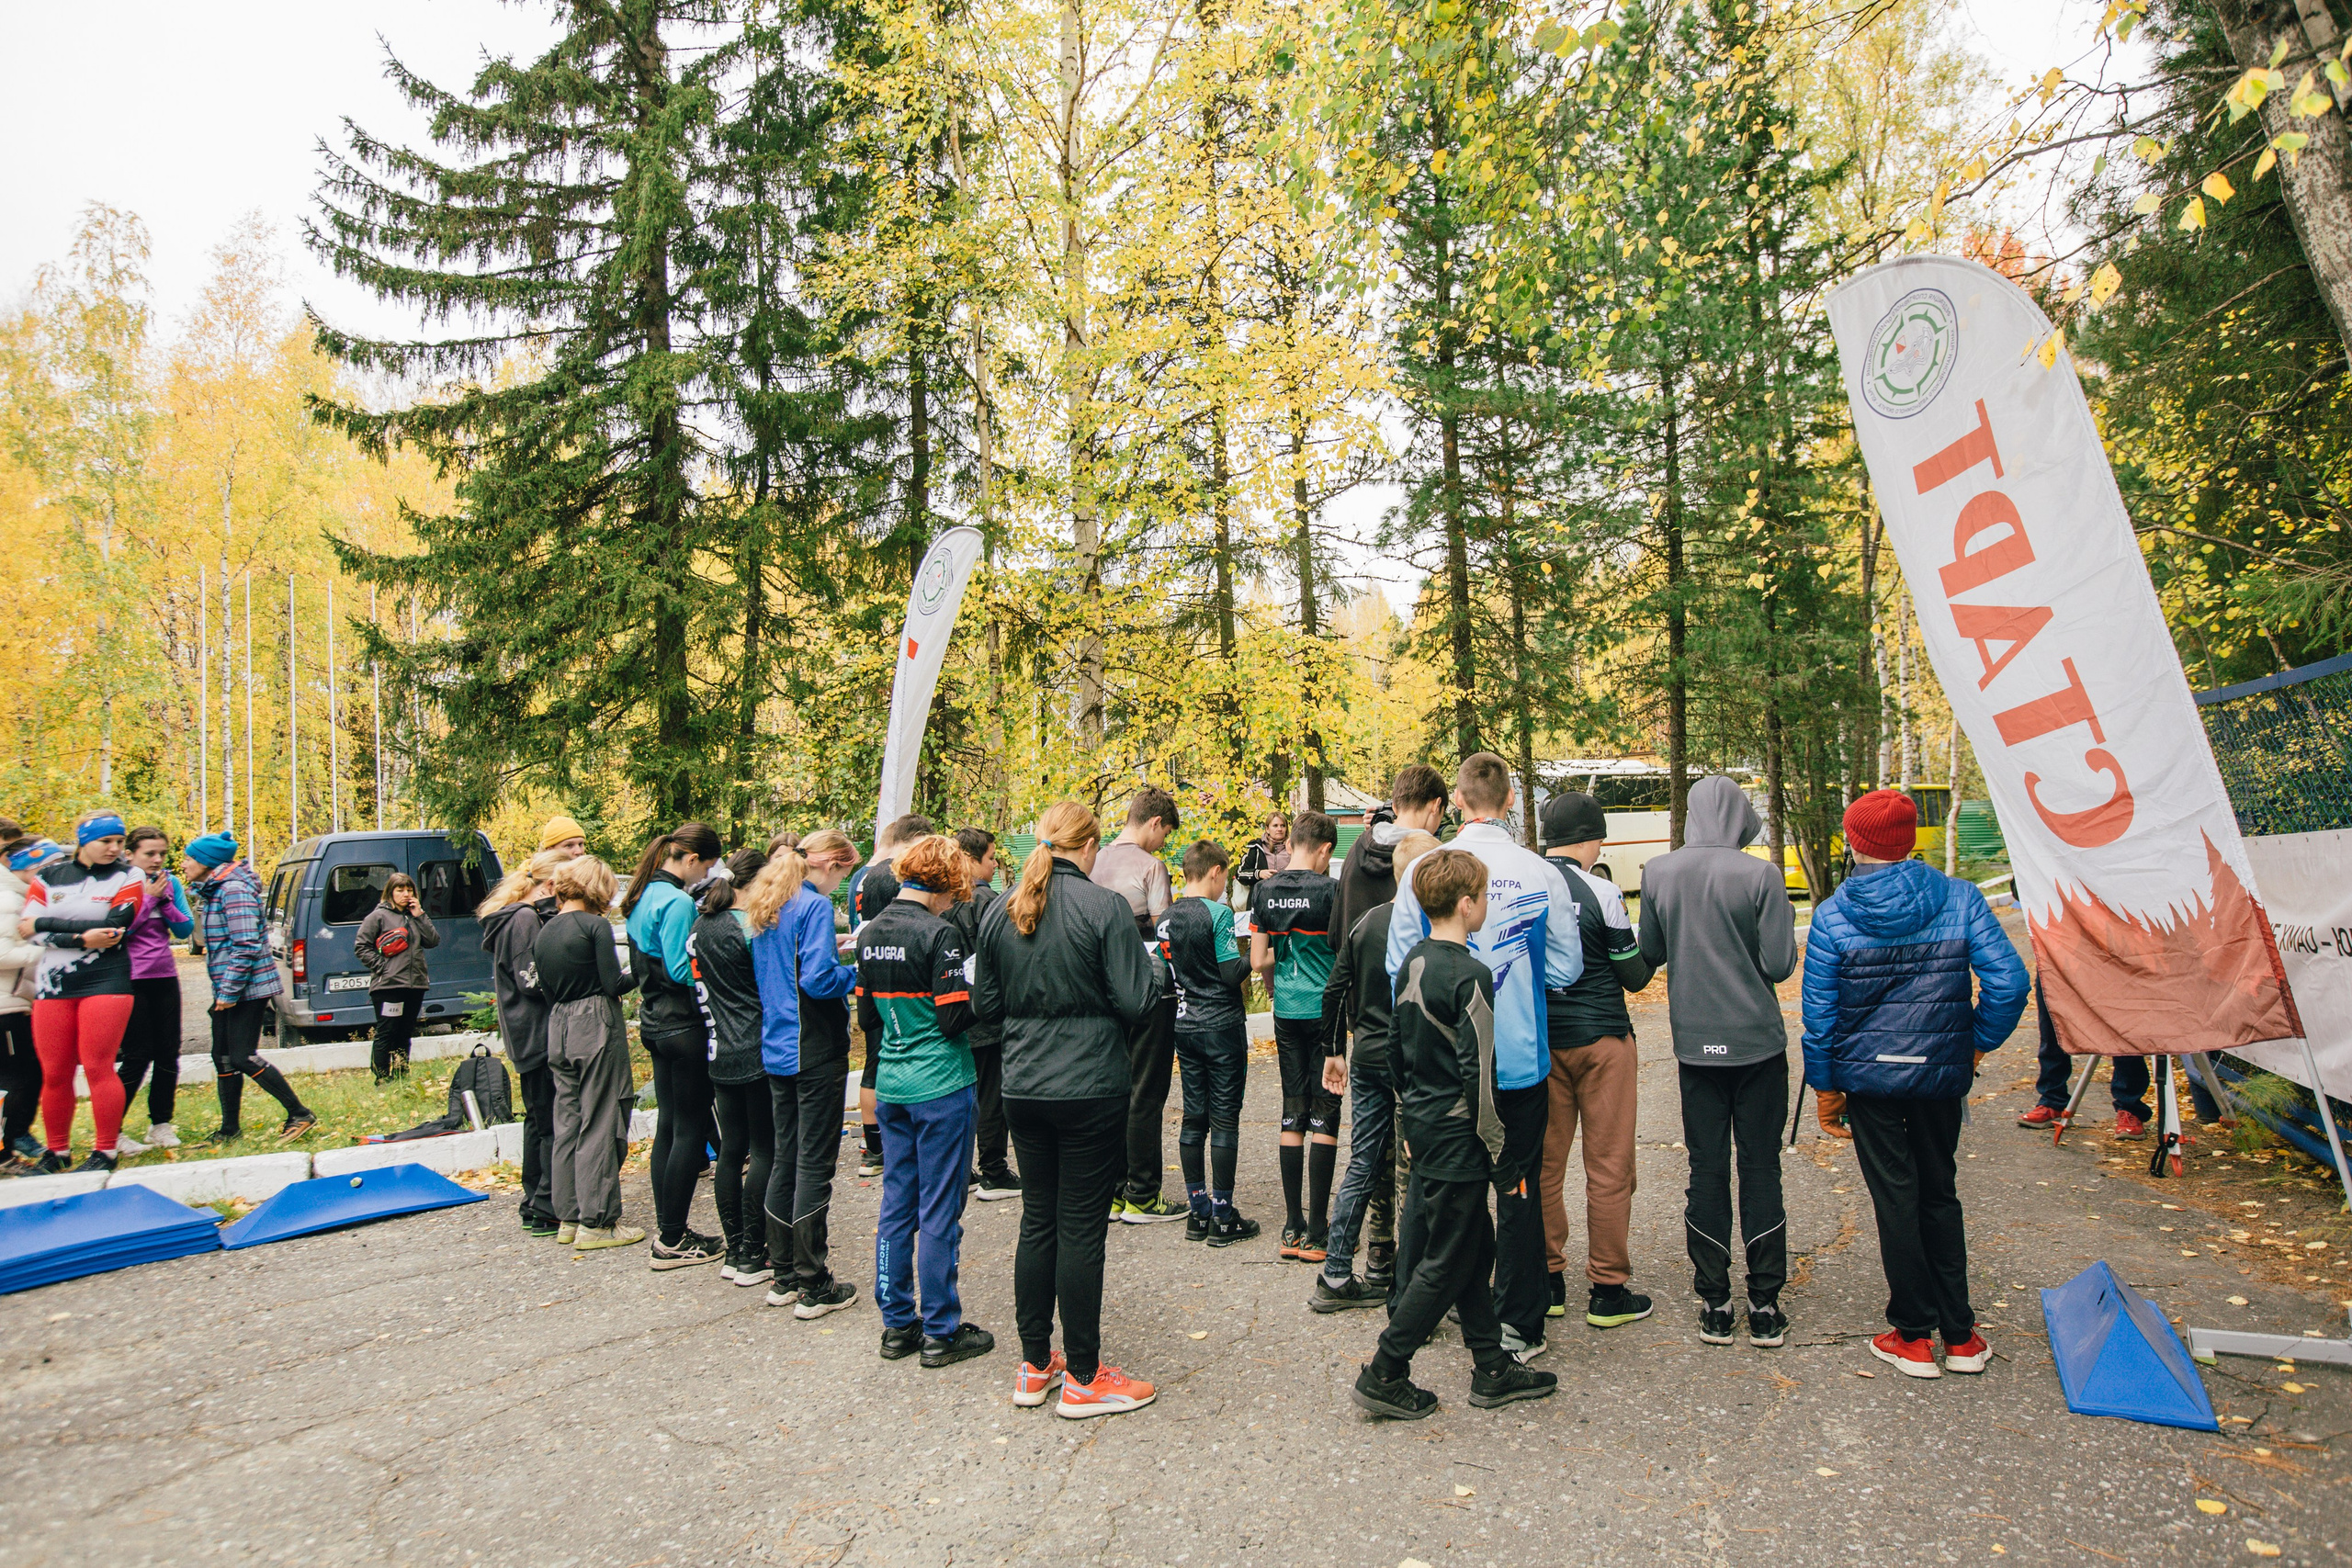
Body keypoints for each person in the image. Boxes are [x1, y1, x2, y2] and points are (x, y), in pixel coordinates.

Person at [1802, 789, 2029, 1378]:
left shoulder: (1832, 916)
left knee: (1894, 1198)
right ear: (1910, 840)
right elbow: (2009, 983)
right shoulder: (1961, 898)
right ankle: (1960, 1336)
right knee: (1939, 1191)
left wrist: (1826, 1092)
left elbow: (1821, 1016)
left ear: (1855, 843)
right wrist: (1973, 1043)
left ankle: (1910, 1334)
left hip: (1870, 1080)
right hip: (1939, 1076)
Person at [1384, 756, 1583, 1364]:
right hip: (1517, 1057)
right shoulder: (1541, 872)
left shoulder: (1424, 869)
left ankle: (1414, 1302)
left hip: (1441, 1067)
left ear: (1460, 801)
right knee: (1518, 1188)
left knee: (1432, 1184)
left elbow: (1398, 969)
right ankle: (1520, 1323)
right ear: (1512, 796)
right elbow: (1566, 968)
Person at [971, 801, 1162, 1417]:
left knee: (1039, 1220)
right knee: (1080, 1226)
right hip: (1089, 1085)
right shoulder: (1105, 908)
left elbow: (986, 1005)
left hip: (1023, 1085)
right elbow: (1137, 1001)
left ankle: (1034, 1364)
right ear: (1090, 847)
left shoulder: (1003, 910)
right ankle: (1083, 1373)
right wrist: (1151, 973)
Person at [1352, 848, 1558, 1419]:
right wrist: (1506, 1161)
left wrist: (1414, 1118)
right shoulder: (1472, 975)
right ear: (1466, 905)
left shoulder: (1413, 961)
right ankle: (1385, 1370)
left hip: (1424, 1125)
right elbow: (1481, 1077)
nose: (1488, 906)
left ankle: (1490, 1366)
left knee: (1473, 1245)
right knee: (1447, 1256)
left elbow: (1395, 1050)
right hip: (1461, 1135)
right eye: (1485, 898)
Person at [1636, 774, 1801, 1348]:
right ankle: (1764, 1303)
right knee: (1761, 1168)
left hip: (1694, 1047)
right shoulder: (1761, 875)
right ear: (1738, 816)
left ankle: (1715, 1303)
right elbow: (1780, 965)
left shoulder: (1658, 873)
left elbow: (1650, 952)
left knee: (1705, 1169)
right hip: (1757, 1045)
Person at [860, 834, 994, 1368]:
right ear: (944, 882)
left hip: (891, 1082)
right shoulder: (941, 937)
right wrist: (985, 989)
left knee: (897, 1205)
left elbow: (867, 1017)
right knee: (940, 1209)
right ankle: (941, 1329)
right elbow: (953, 1016)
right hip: (941, 1083)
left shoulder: (870, 934)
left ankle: (897, 1325)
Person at [1535, 791, 1657, 1329]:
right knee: (1609, 1167)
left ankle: (1549, 1280)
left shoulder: (1523, 883)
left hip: (1544, 1042)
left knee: (1545, 1166)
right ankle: (1608, 1290)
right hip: (1603, 1040)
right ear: (1593, 839)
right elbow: (1634, 976)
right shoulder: (1604, 893)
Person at [1313, 828, 1441, 1311]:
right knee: (1416, 1169)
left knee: (1364, 1161)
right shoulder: (1436, 926)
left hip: (1366, 1056)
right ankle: (1414, 1287)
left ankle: (1337, 1272)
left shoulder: (1367, 923)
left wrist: (1333, 1050)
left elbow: (1334, 990)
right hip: (1412, 1059)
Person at [745, 829, 864, 1318]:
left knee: (785, 1159)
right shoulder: (812, 906)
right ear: (831, 864)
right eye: (844, 872)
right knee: (814, 1163)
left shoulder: (772, 902)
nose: (841, 884)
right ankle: (814, 1282)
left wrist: (830, 948)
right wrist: (858, 970)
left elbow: (786, 966)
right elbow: (816, 979)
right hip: (814, 1047)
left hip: (777, 1046)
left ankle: (785, 1274)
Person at [17, 811, 149, 1172]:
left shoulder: (129, 875)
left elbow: (114, 927)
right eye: (106, 841)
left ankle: (105, 1151)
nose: (115, 849)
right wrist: (79, 936)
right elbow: (28, 930)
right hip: (53, 984)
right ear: (83, 840)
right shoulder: (48, 876)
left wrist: (48, 923)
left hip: (106, 981)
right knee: (55, 1071)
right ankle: (57, 1151)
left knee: (97, 1066)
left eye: (120, 842)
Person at [623, 820, 727, 1269]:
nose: (704, 875)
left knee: (669, 1127)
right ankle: (671, 1238)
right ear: (689, 859)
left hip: (654, 1022)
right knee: (688, 1130)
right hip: (683, 1024)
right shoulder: (677, 901)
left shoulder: (642, 895)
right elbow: (682, 970)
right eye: (704, 866)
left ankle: (672, 1228)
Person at [536, 854, 644, 1253]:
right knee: (602, 1117)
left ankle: (569, 1215)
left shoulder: (543, 932)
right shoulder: (594, 926)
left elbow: (546, 991)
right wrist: (646, 970)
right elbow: (612, 984)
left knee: (568, 1119)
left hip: (559, 1024)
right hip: (595, 1020)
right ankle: (598, 1221)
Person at [181, 833, 315, 1147]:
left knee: (241, 1057)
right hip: (230, 987)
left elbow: (245, 946)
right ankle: (229, 1130)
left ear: (206, 861)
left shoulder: (234, 890)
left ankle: (300, 1113)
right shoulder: (217, 889)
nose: (184, 864)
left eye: (188, 858)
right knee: (223, 1056)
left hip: (247, 988)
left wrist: (227, 994)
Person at [1156, 839, 1258, 1247]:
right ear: (1216, 872)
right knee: (1225, 1119)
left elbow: (1167, 972)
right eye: (1226, 878)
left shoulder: (1166, 917)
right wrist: (1256, 949)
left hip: (1185, 1026)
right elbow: (1231, 972)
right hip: (1222, 1027)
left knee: (1194, 1117)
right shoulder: (1218, 914)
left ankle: (1197, 1211)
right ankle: (1223, 1213)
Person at [1250, 808, 1342, 1260]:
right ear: (1324, 848)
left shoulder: (1265, 890)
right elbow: (1344, 957)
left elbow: (1257, 961)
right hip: (1326, 1012)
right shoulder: (1334, 892)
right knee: (1326, 1110)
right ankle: (1320, 1230)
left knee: (1293, 1109)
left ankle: (1291, 1225)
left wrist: (1286, 958)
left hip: (1286, 1009)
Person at [1091, 787, 1183, 1223]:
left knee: (1112, 1088)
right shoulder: (1151, 866)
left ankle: (1111, 1190)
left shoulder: (1094, 859)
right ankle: (1143, 1194)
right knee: (1146, 1091)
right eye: (1165, 833)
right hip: (1146, 992)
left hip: (1100, 992)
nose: (1163, 842)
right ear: (1154, 823)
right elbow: (1166, 933)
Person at [691, 847, 775, 1284]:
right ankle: (753, 1251)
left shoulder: (702, 924)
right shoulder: (750, 927)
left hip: (719, 1047)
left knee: (731, 1149)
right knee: (764, 1150)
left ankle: (734, 1249)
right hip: (756, 1048)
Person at [480, 851, 568, 1235]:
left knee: (536, 1120)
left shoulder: (516, 916)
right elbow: (530, 979)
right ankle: (546, 1203)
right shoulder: (525, 919)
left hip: (524, 1032)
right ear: (548, 886)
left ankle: (534, 1201)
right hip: (536, 1032)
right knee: (547, 1122)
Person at [852, 813, 933, 1179]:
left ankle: (874, 1148)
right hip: (893, 978)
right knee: (885, 1059)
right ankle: (887, 1147)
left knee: (874, 1059)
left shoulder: (861, 876)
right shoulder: (890, 875)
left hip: (867, 973)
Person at [112, 826, 194, 1155]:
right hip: (130, 979)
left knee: (168, 1053)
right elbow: (121, 929)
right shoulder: (119, 884)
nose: (157, 860)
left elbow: (185, 927)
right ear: (129, 854)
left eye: (162, 853)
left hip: (164, 976)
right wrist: (147, 899)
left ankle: (161, 1124)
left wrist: (166, 901)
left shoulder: (170, 883)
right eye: (150, 854)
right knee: (136, 1055)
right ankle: (111, 1130)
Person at [947, 827, 1018, 1200]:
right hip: (986, 1012)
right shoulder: (986, 901)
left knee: (961, 1092)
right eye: (991, 858)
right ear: (973, 859)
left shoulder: (941, 900)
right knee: (991, 1094)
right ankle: (994, 1169)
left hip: (950, 1010)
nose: (994, 865)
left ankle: (963, 1168)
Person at [1331, 764, 1449, 945]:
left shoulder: (1356, 848)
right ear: (1436, 805)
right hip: (1413, 970)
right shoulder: (1433, 860)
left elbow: (1335, 933)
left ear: (1394, 806)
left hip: (1358, 968)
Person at [0, 830, 62, 1170]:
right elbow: (3, 952)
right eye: (47, 867)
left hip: (13, 1003)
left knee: (25, 1075)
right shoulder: (8, 900)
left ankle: (10, 1145)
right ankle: (4, 1154)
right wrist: (49, 951)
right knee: (14, 1080)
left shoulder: (18, 896)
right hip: (4, 1007)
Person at [354, 873, 440, 1082]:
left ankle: (402, 1075)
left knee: (405, 1032)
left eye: (409, 890)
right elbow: (361, 947)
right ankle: (382, 1078)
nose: (405, 894)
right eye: (400, 890)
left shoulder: (414, 916)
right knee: (387, 1031)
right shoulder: (378, 916)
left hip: (415, 984)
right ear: (390, 892)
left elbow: (433, 940)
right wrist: (383, 967)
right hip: (389, 986)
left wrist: (420, 914)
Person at [1232, 811, 1292, 910]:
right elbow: (1240, 874)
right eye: (1275, 825)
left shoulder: (1294, 848)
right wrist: (1259, 873)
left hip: (1288, 902)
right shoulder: (1256, 848)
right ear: (1267, 829)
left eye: (1283, 826)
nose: (1279, 829)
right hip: (1260, 904)